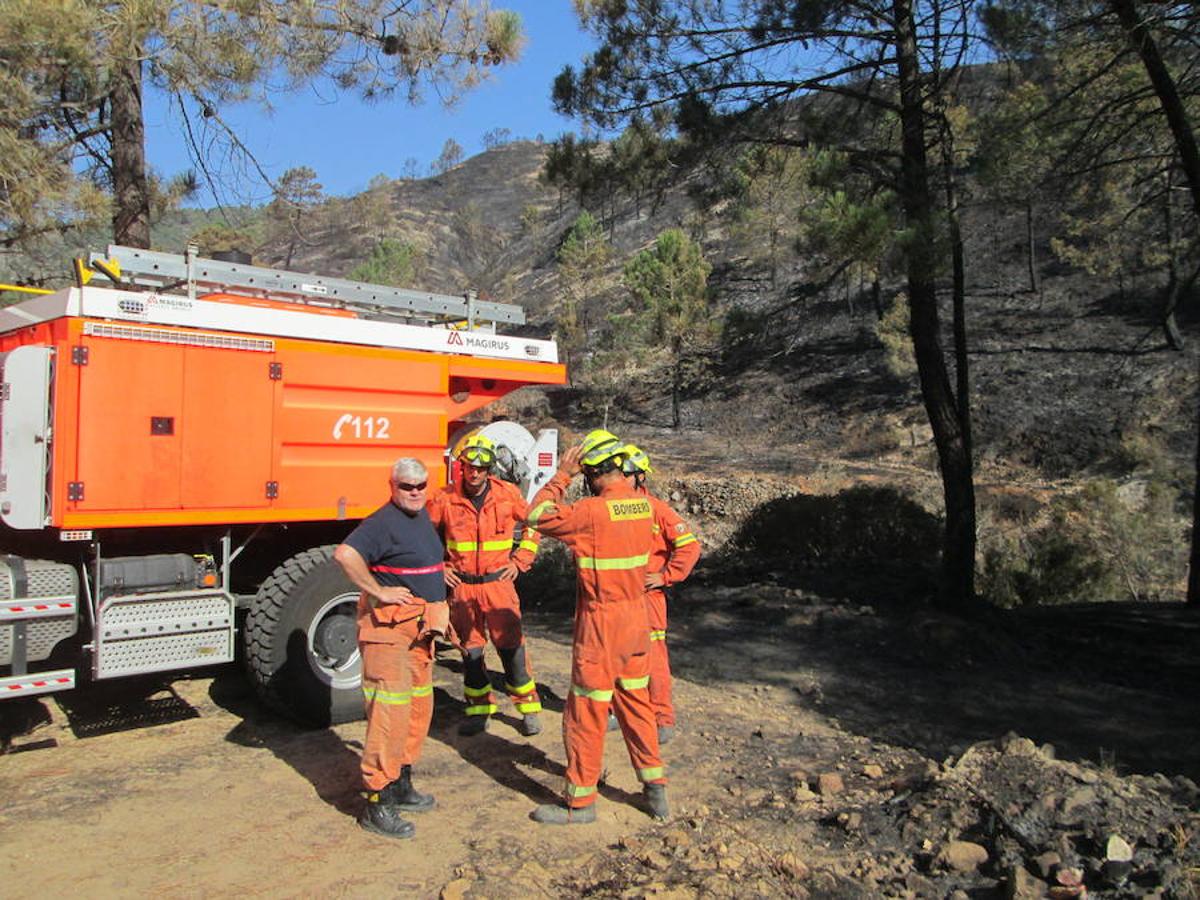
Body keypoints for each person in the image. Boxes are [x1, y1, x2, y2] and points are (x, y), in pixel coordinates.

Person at [525, 429, 669, 825]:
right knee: (638, 706)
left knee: (586, 714)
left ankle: (580, 804)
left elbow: (535, 515)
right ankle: (655, 792)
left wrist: (561, 476)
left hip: (601, 626)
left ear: (591, 474)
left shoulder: (590, 512)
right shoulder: (645, 507)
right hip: (637, 620)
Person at [333, 457, 448, 840]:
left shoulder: (420, 519)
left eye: (420, 485)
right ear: (392, 486)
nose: (415, 492)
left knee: (417, 708)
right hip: (389, 634)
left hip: (419, 633)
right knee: (389, 714)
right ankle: (378, 802)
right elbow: (345, 555)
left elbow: (418, 562)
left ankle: (401, 784)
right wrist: (379, 591)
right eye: (407, 486)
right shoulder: (382, 523)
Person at [426, 433, 543, 737]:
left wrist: (520, 561)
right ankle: (479, 710)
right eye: (469, 467)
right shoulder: (444, 499)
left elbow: (534, 525)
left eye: (481, 468)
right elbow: (423, 537)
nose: (474, 473)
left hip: (498, 586)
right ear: (461, 467)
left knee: (512, 650)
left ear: (490, 469)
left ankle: (528, 707)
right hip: (462, 588)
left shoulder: (508, 494)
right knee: (471, 652)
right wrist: (438, 567)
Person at [621, 444, 701, 745]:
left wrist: (666, 576)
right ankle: (623, 712)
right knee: (619, 657)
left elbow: (690, 546)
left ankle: (661, 717)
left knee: (654, 661)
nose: (619, 480)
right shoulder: (608, 507)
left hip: (647, 598)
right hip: (617, 599)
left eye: (625, 475)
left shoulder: (656, 508)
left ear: (640, 477)